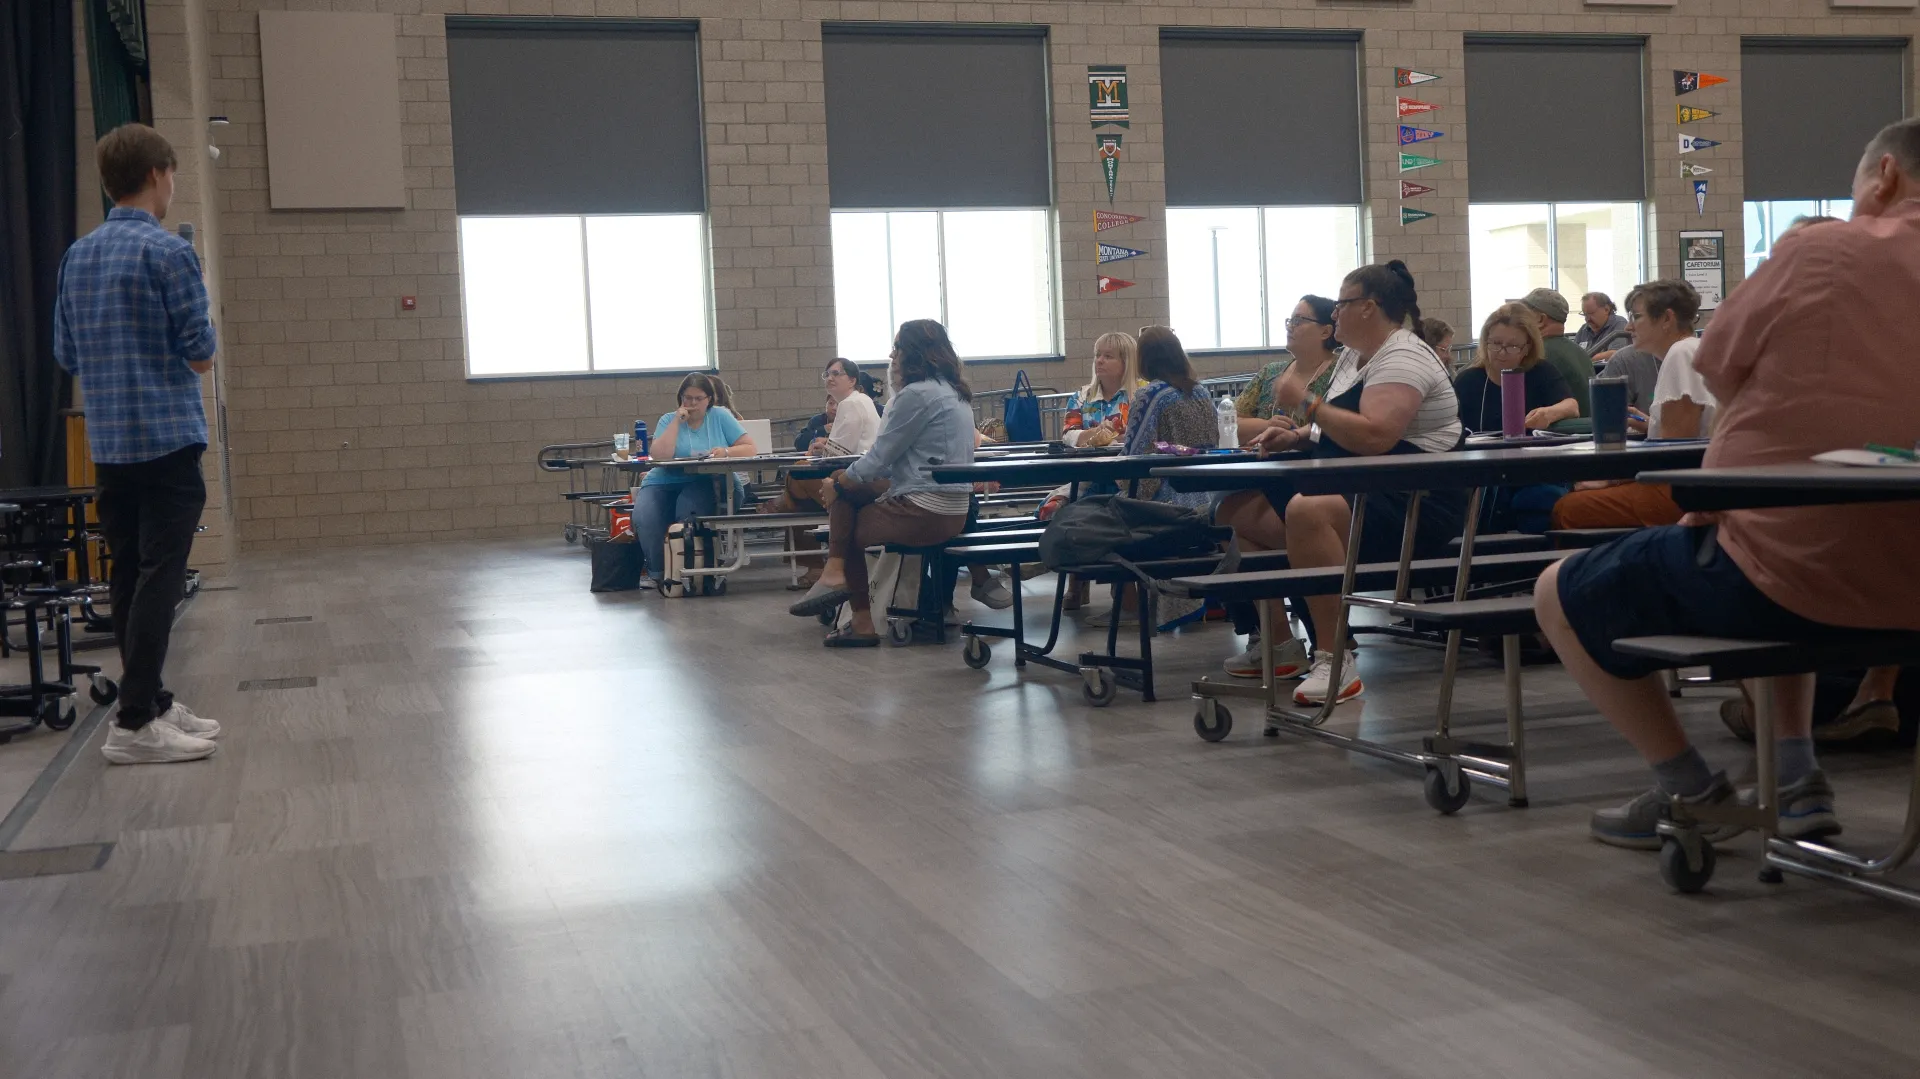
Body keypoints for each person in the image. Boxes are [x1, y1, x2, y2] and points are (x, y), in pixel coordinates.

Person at [1533, 117, 1920, 849]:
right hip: (1900, 582)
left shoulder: (1823, 249)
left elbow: (1717, 367)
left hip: (1795, 568)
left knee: (1559, 588)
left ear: (1887, 176)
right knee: (1767, 540)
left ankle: (1690, 787)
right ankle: (1796, 774)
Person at [52, 124, 224, 765]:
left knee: (127, 573)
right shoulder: (169, 255)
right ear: (158, 175)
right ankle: (131, 722)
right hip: (167, 441)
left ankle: (149, 700)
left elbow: (66, 352)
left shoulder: (78, 255)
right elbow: (201, 355)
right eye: (174, 175)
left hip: (111, 443)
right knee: (161, 577)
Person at [1250, 261, 1465, 704]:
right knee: (1244, 514)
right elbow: (1340, 428)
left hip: (1412, 502)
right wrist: (1295, 437)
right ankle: (1280, 643)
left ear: (1368, 308)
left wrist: (1306, 404)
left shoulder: (1403, 356)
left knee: (1304, 511)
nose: (1335, 315)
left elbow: (1375, 435)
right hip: (1361, 488)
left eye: (1343, 304)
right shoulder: (1352, 355)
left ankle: (1335, 657)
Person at [787, 320, 976, 646]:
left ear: (912, 354)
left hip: (927, 509)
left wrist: (842, 482)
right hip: (955, 505)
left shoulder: (915, 395)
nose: (892, 355)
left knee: (848, 528)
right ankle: (835, 576)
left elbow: (880, 457)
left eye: (897, 348)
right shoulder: (954, 391)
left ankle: (853, 607)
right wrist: (844, 483)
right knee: (844, 492)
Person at [1217, 296, 1341, 678]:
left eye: (1300, 320)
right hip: (1263, 478)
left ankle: (1316, 639)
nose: (1290, 325)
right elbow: (1229, 420)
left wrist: (1290, 430)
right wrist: (1279, 424)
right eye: (1289, 318)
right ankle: (1281, 641)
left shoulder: (1340, 374)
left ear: (1326, 330)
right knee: (1228, 520)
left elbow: (1336, 427)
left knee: (1238, 525)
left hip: (1319, 483)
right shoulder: (1273, 372)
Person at [1547, 280, 1713, 531]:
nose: (1629, 326)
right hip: (1689, 484)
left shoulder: (1680, 354)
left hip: (1680, 492)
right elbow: (1690, 434)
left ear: (1667, 319)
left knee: (1567, 508)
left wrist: (1611, 479)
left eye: (1636, 317)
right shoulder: (1691, 350)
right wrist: (1651, 424)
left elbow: (1676, 454)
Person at [761, 359, 881, 589]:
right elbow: (846, 444)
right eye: (827, 374)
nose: (831, 378)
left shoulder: (850, 403)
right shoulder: (861, 401)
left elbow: (841, 453)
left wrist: (824, 449)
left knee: (795, 475)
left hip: (855, 478)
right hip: (863, 473)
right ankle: (786, 507)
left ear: (852, 380)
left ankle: (782, 508)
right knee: (799, 484)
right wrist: (825, 445)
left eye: (837, 373)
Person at [632, 373, 756, 585]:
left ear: (709, 399)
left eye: (698, 398)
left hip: (704, 479)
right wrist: (676, 423)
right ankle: (660, 573)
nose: (692, 403)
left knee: (687, 511)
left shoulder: (720, 416)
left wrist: (725, 452)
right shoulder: (667, 420)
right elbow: (660, 455)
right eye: (687, 398)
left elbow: (750, 448)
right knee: (645, 516)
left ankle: (690, 568)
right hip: (663, 480)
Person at [1451, 303, 1576, 433]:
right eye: (1496, 343)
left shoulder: (1541, 371)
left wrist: (1549, 413)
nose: (1502, 352)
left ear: (1527, 349)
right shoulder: (1467, 381)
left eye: (1513, 346)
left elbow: (1572, 406)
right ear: (1485, 342)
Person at [1516, 288, 1593, 419]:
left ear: (1540, 320)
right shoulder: (1581, 353)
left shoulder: (1537, 355)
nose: (1518, 322)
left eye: (1523, 316)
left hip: (1557, 435)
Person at [1069, 331, 1144, 434]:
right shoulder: (1080, 397)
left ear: (1126, 362)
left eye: (1108, 356)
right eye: (1097, 355)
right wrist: (1098, 432)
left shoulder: (1145, 394)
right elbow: (1068, 435)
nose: (1099, 360)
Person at [1575, 291, 1632, 361]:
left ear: (1606, 309)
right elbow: (1573, 354)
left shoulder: (1619, 324)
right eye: (1585, 314)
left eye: (1591, 313)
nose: (1587, 319)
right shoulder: (1584, 329)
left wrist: (1584, 359)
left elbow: (1616, 353)